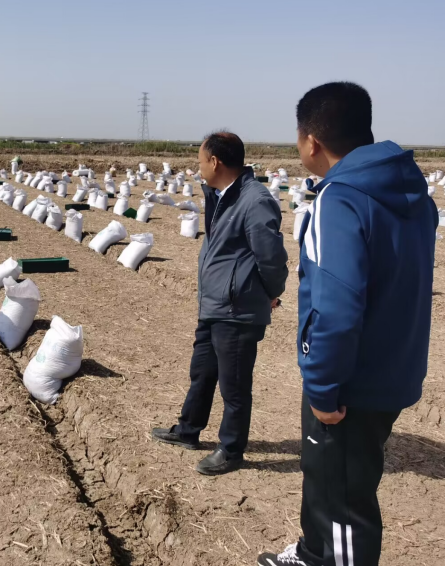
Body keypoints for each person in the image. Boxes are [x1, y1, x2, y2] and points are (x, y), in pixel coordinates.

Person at [258, 83, 437, 566]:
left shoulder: (340, 201)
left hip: (349, 383)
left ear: (312, 141)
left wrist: (323, 386)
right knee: (327, 478)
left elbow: (335, 307)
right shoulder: (414, 197)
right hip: (394, 368)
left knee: (341, 501)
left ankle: (326, 554)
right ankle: (312, 552)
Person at [151, 131, 288, 475]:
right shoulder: (220, 196)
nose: (198, 168)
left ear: (215, 161)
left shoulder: (255, 201)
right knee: (202, 372)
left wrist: (271, 293)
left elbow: (271, 258)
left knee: (234, 385)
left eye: (200, 161)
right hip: (214, 304)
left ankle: (231, 450)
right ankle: (188, 430)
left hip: (237, 310)